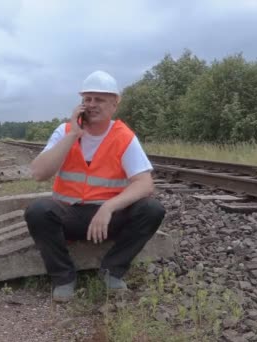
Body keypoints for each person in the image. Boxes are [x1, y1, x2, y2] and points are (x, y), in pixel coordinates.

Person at [24, 70, 166, 302]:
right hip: (69, 214)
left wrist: (108, 207)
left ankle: (113, 271)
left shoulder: (124, 137)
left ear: (114, 104)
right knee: (38, 211)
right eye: (87, 99)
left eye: (99, 99)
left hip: (109, 218)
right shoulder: (65, 131)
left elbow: (145, 183)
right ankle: (63, 277)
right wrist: (73, 136)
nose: (91, 104)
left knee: (152, 209)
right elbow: (39, 173)